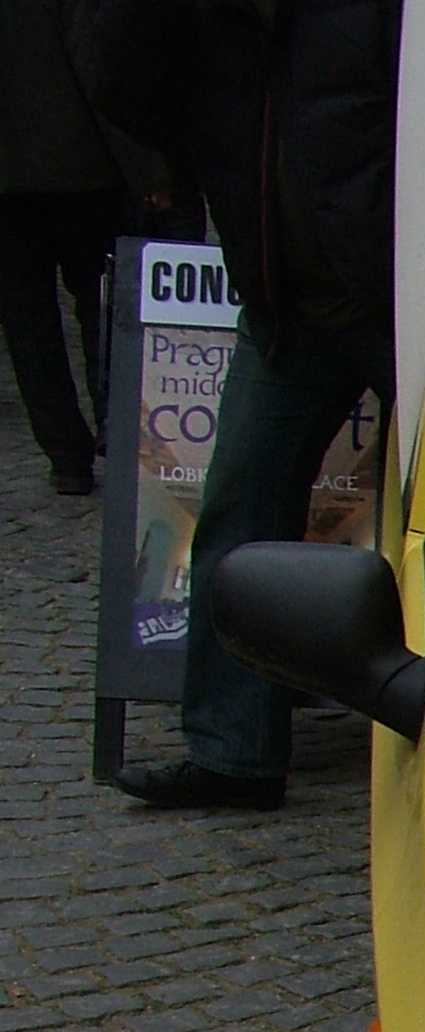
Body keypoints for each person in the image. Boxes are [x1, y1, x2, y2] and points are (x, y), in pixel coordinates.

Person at [73, 0, 399, 811]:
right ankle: (234, 750)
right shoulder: (208, 21)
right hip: (286, 297)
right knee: (237, 506)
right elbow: (122, 86)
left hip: (401, 284)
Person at [0, 0, 134, 497]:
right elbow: (99, 65)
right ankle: (114, 426)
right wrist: (147, 170)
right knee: (101, 306)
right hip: (84, 169)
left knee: (28, 324)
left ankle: (66, 454)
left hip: (20, 178)